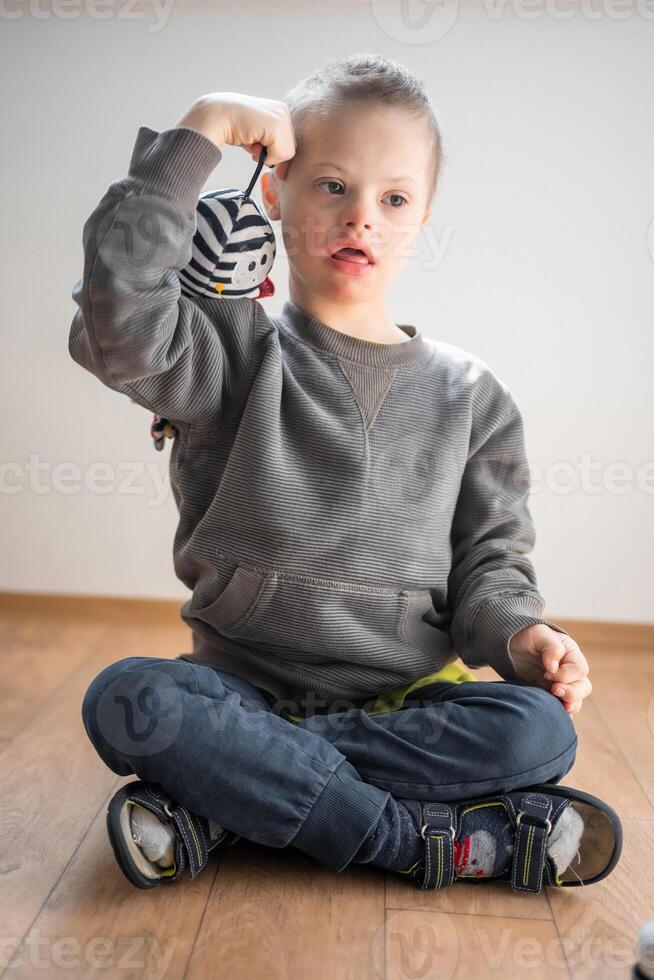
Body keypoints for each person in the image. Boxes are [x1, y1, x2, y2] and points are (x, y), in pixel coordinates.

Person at [71, 53, 621, 893]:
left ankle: (229, 807)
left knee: (535, 732)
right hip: (242, 691)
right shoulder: (227, 355)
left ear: (422, 217)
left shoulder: (475, 396)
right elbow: (117, 321)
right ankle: (412, 838)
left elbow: (491, 565)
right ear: (273, 195)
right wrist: (201, 129)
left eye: (392, 199)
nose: (361, 216)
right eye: (331, 186)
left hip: (405, 705)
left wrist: (521, 638)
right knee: (129, 701)